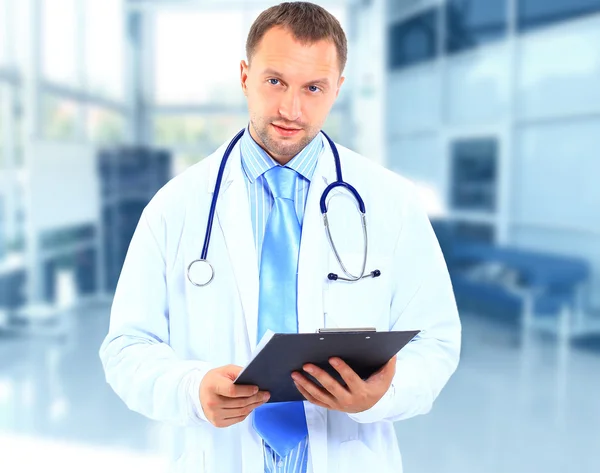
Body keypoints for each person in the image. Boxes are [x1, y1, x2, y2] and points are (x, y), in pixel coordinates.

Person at [99, 2, 461, 473]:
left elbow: (436, 341)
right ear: (245, 76)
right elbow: (126, 346)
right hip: (221, 457)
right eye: (276, 81)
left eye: (314, 88)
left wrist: (383, 393)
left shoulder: (392, 203)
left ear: (338, 90)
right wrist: (192, 388)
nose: (292, 108)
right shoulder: (175, 207)